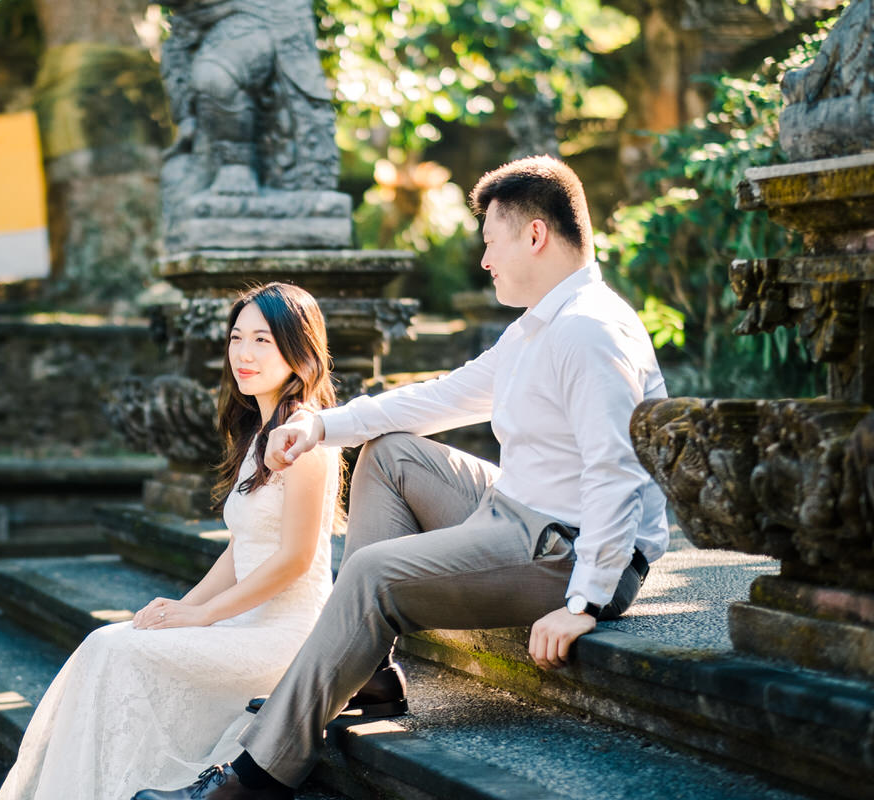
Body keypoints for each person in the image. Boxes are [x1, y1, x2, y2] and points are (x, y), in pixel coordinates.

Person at [132, 155, 670, 800]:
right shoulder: (539, 328)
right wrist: (322, 428)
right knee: (389, 453)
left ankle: (253, 781)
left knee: (371, 570)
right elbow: (448, 396)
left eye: (491, 242)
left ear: (534, 235)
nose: (485, 261)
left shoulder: (588, 331)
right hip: (519, 511)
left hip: (571, 549)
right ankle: (371, 675)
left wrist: (584, 602)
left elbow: (619, 472)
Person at [0, 282, 344, 800]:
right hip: (244, 620)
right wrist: (182, 608)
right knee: (117, 642)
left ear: (300, 350)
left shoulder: (307, 440)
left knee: (115, 651)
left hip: (286, 636)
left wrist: (204, 617)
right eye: (236, 338)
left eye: (263, 341)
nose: (244, 355)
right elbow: (240, 550)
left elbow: (294, 560)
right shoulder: (258, 434)